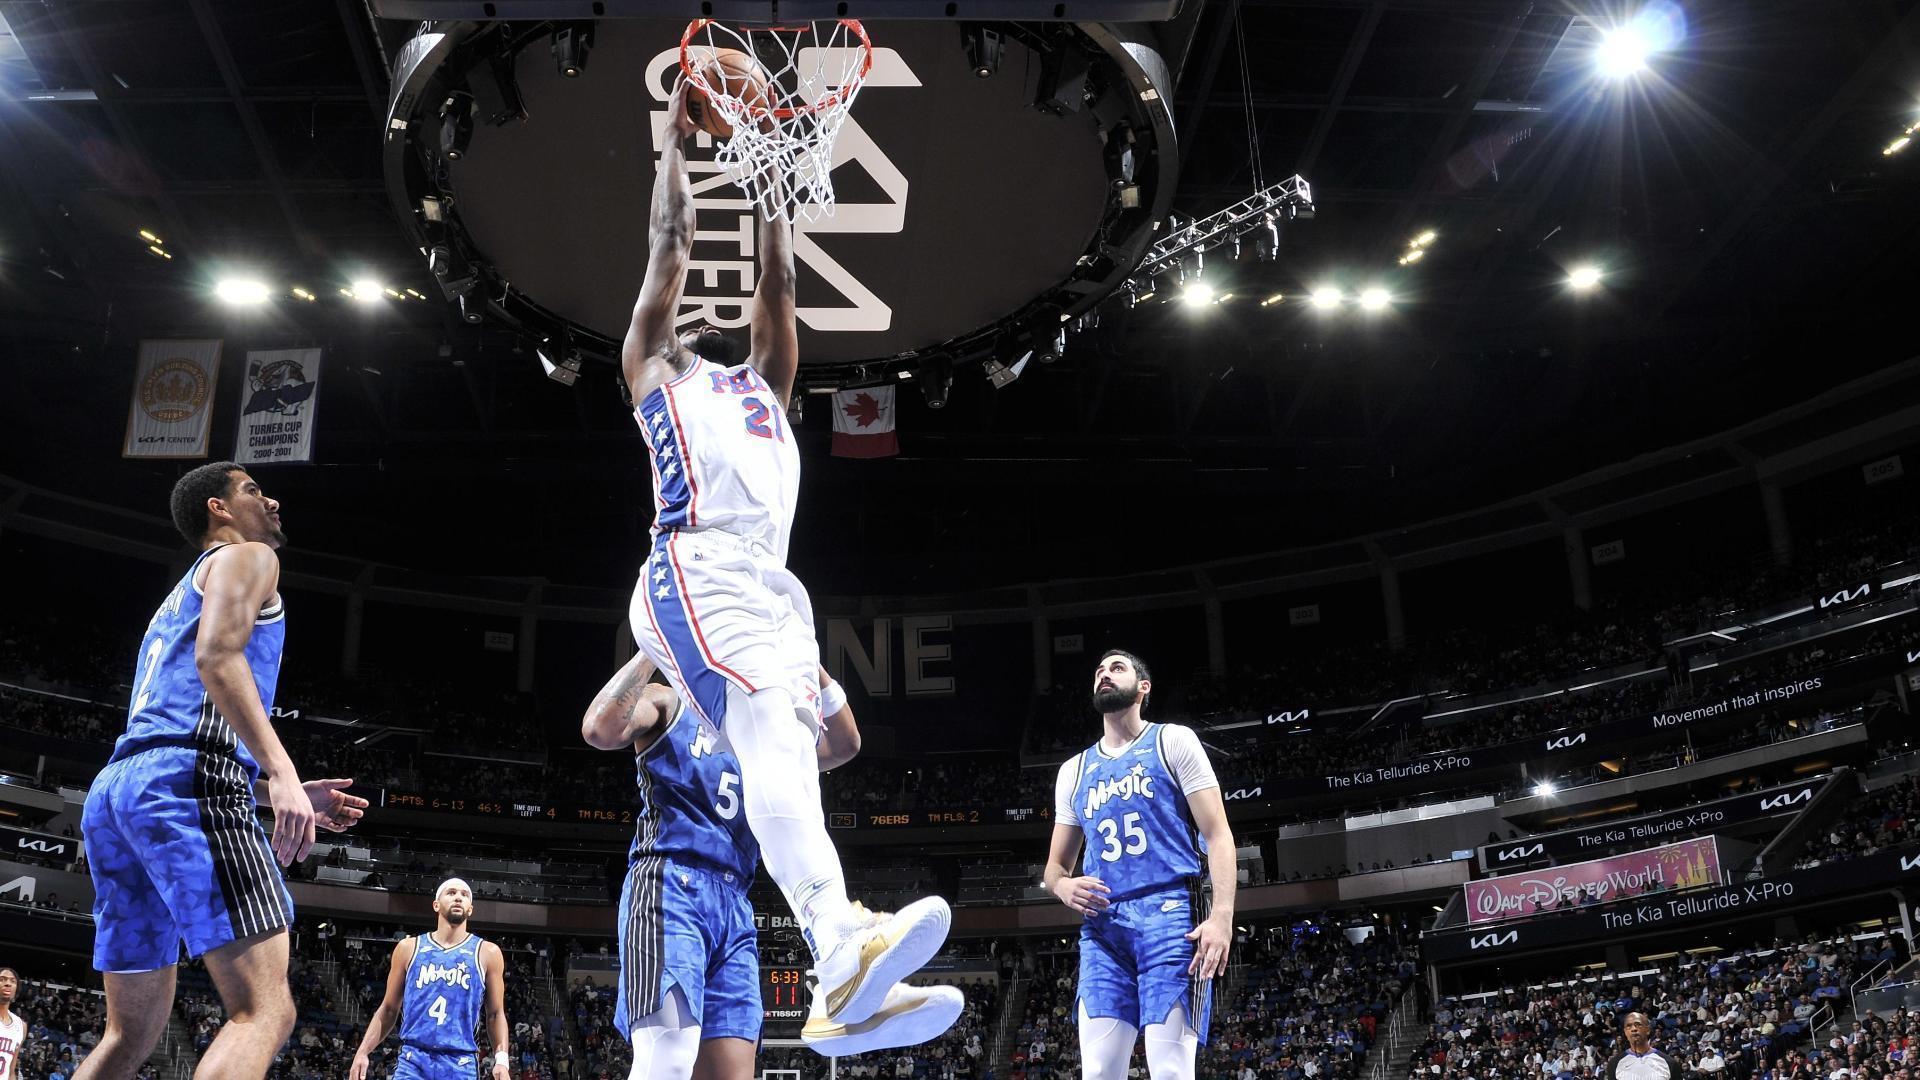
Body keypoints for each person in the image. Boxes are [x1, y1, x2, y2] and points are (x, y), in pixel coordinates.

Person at [620, 73, 949, 1031]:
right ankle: (839, 942)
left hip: (773, 592)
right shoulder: (654, 371)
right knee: (768, 714)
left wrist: (770, 170)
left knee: (794, 744)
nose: (718, 323)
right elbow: (669, 244)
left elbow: (782, 281)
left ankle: (840, 982)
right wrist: (679, 146)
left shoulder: (766, 384)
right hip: (692, 570)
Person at [74, 462, 367, 1080]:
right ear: (220, 510)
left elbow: (176, 725)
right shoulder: (248, 557)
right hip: (183, 783)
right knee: (265, 1010)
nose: (273, 500)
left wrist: (263, 790)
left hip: (121, 792)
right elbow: (217, 657)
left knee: (129, 1036)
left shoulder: (174, 598)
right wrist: (281, 771)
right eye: (255, 491)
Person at [581, 652, 960, 1076]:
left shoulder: (762, 734)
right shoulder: (668, 701)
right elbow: (599, 728)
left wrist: (807, 656)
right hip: (670, 882)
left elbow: (846, 743)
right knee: (667, 1059)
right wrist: (654, 646)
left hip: (735, 902)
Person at [1042, 651, 1237, 1080]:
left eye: (1117, 668)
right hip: (1103, 926)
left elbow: (1219, 834)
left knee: (1169, 1069)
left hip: (1171, 915)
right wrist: (1062, 887)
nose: (1104, 674)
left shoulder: (1173, 741)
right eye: (1099, 671)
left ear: (1143, 687)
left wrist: (1222, 917)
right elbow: (1055, 867)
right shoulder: (1073, 771)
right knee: (1099, 1073)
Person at [349, 879, 510, 1080]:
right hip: (413, 1059)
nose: (458, 897)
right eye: (451, 892)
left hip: (460, 1062)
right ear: (436, 904)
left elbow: (495, 1013)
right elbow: (389, 1008)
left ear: (470, 909)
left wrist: (502, 1061)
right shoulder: (408, 948)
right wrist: (363, 1051)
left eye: (464, 894)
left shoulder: (487, 952)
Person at [1603, 1012, 1675, 1079]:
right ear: (1625, 1032)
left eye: (1638, 1025)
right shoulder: (1615, 1064)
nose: (1634, 1029)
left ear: (1648, 1030)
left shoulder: (1668, 1062)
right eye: (1629, 1026)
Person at [0, 967, 24, 1080]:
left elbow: (11, 1071)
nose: (8, 984)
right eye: (2, 979)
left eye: (12, 981)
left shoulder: (20, 1026)